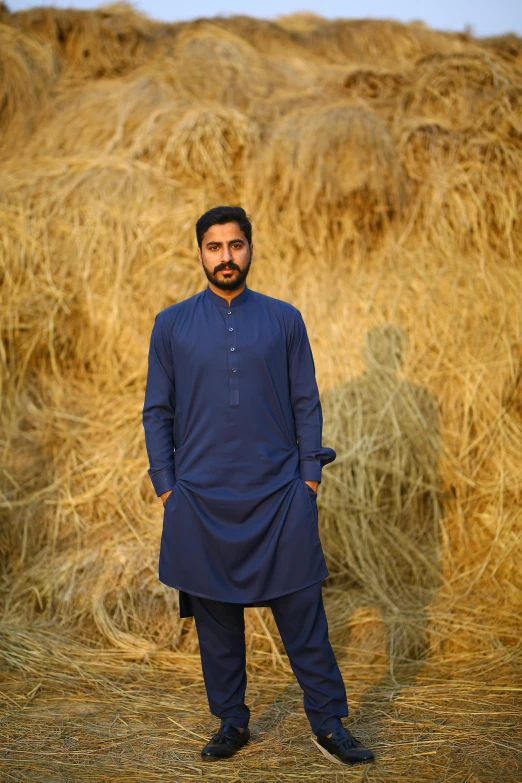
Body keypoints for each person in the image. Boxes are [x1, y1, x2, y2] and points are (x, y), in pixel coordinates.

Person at [142, 205, 374, 766]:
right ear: (199, 252)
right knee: (217, 622)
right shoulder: (171, 324)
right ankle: (231, 722)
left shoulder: (283, 319)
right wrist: (168, 487)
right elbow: (157, 412)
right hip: (199, 502)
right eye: (215, 247)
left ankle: (329, 724)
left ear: (250, 248)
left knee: (304, 619)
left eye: (236, 246)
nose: (227, 257)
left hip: (279, 498)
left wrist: (309, 481)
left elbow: (305, 403)